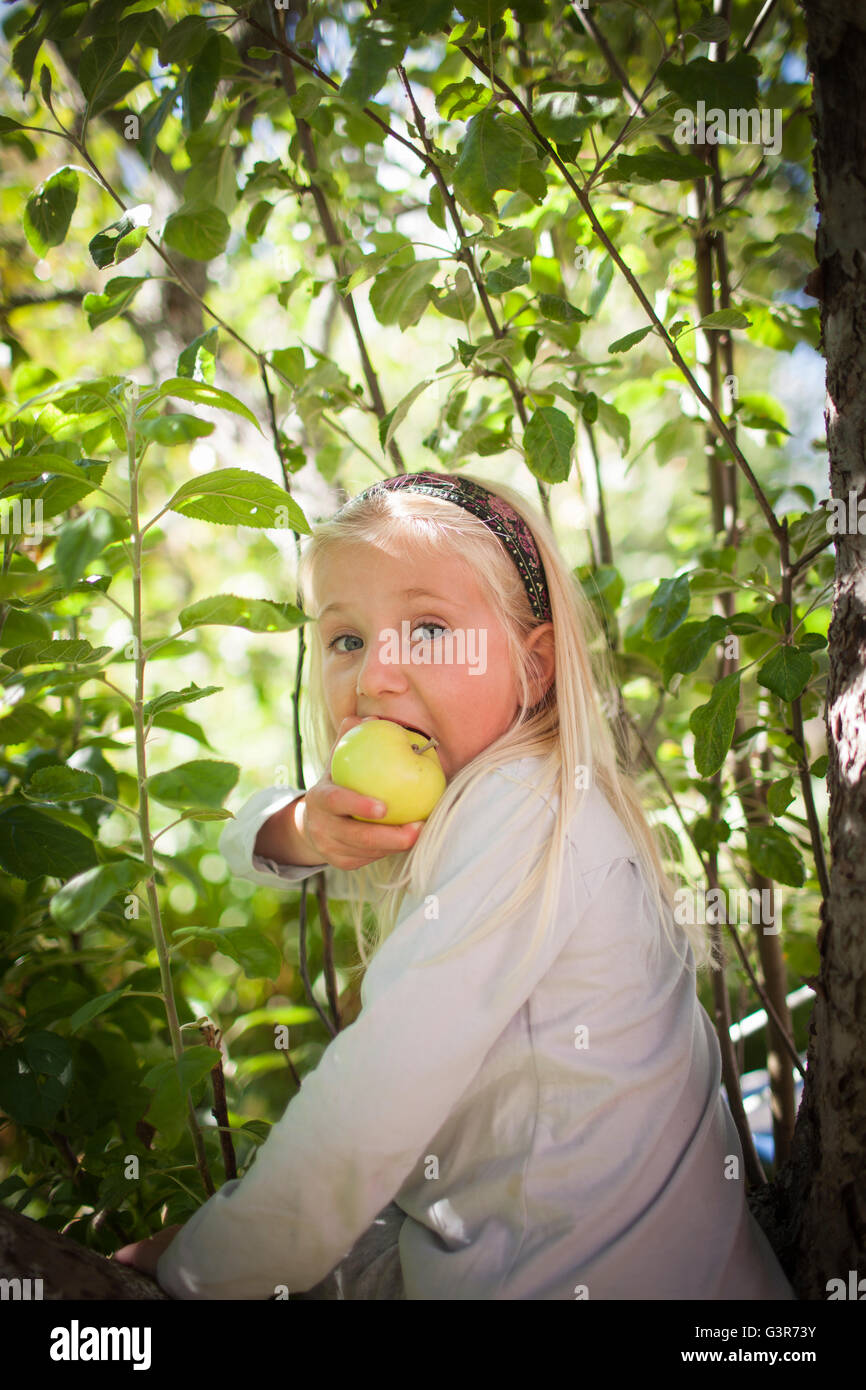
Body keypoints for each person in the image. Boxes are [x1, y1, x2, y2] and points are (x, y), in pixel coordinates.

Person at [115, 470, 796, 1300]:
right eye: (346, 640)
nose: (373, 680)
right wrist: (303, 827)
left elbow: (370, 1105)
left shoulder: (520, 811)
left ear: (534, 666)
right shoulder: (511, 792)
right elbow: (241, 841)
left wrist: (205, 1265)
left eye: (429, 630)